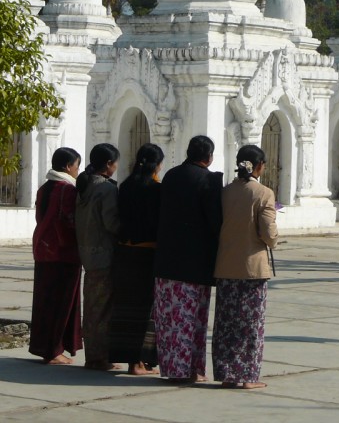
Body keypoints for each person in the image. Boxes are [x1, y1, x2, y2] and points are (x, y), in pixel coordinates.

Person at [153, 135, 222, 383]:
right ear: (209, 157)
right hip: (195, 262)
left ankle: (173, 368)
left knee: (171, 319)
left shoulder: (171, 175)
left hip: (167, 259)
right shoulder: (209, 180)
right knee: (195, 319)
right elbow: (215, 222)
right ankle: (192, 369)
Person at [212, 145, 278, 390]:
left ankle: (227, 373)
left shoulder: (224, 192)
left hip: (225, 266)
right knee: (250, 324)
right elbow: (268, 233)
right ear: (258, 166)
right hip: (252, 268)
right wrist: (275, 239)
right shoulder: (264, 193)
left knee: (226, 323)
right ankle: (248, 375)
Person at [108, 143, 164, 375]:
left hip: (124, 253)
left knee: (124, 308)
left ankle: (128, 357)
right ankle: (138, 362)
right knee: (145, 308)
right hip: (146, 253)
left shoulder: (127, 185)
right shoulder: (157, 189)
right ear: (156, 165)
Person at [29, 147, 83, 365]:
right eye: (77, 166)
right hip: (62, 253)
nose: (78, 171)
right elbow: (69, 222)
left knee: (45, 300)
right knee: (60, 302)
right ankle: (53, 350)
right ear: (68, 167)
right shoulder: (67, 190)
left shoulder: (44, 188)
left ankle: (46, 347)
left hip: (43, 249)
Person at [75, 143, 122, 371]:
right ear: (108, 164)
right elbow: (112, 223)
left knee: (92, 307)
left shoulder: (84, 186)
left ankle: (93, 354)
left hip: (87, 254)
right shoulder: (106, 189)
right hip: (105, 255)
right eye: (115, 162)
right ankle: (99, 357)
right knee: (103, 309)